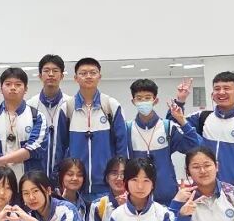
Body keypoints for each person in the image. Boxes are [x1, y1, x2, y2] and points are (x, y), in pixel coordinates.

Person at [172, 73, 234, 189]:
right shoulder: (201, 117)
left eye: (226, 88)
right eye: (217, 89)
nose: (221, 92)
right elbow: (171, 129)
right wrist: (180, 101)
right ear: (212, 94)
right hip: (202, 189)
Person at [60, 58, 128, 202]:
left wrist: (121, 177)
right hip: (75, 186)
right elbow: (60, 146)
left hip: (106, 187)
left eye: (93, 72)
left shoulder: (110, 105)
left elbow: (122, 145)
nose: (88, 76)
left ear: (99, 76)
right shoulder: (68, 107)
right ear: (75, 78)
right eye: (83, 73)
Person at [126, 78, 202, 204]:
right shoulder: (127, 129)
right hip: (138, 196)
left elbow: (195, 147)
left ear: (155, 100)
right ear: (133, 101)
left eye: (147, 98)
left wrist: (182, 121)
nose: (143, 102)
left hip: (167, 196)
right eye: (139, 98)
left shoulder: (167, 127)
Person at [0, 67, 46, 179]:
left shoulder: (36, 116)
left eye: (18, 84)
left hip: (29, 179)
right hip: (0, 179)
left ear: (25, 89)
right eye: (8, 84)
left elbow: (34, 148)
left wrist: (2, 160)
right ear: (1, 89)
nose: (13, 88)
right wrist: (3, 166)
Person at [28, 54, 71, 179]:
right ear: (40, 75)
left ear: (62, 76)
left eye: (55, 71)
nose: (51, 74)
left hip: (64, 172)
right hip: (36, 172)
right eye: (46, 71)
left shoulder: (70, 104)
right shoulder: (30, 105)